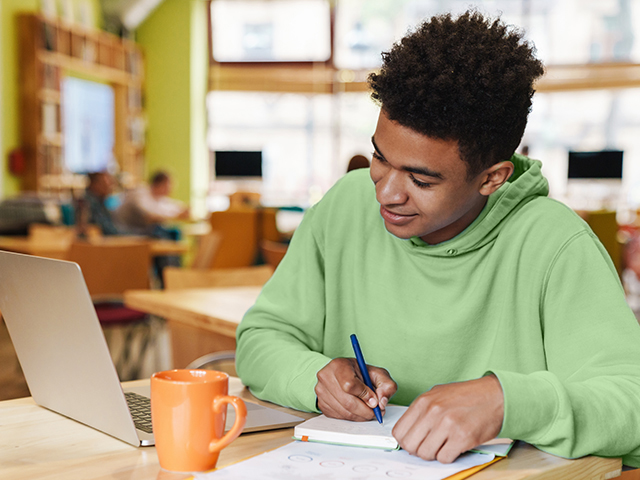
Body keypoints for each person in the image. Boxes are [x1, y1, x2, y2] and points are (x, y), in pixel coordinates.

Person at [236, 10, 640, 467]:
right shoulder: (346, 205)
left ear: (492, 178)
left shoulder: (555, 243)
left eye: (421, 181)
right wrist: (315, 377)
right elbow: (261, 336)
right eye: (380, 157)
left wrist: (506, 402)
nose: (385, 192)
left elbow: (631, 400)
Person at [114, 170, 189, 236]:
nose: (170, 190)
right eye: (168, 186)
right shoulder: (140, 193)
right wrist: (176, 214)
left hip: (142, 231)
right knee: (163, 234)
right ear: (159, 184)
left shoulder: (158, 198)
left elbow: (169, 206)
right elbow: (148, 216)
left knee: (174, 232)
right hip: (125, 231)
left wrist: (181, 210)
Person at [80, 171, 119, 235]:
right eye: (104, 184)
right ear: (94, 184)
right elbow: (106, 230)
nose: (109, 188)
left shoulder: (99, 201)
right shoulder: (89, 203)